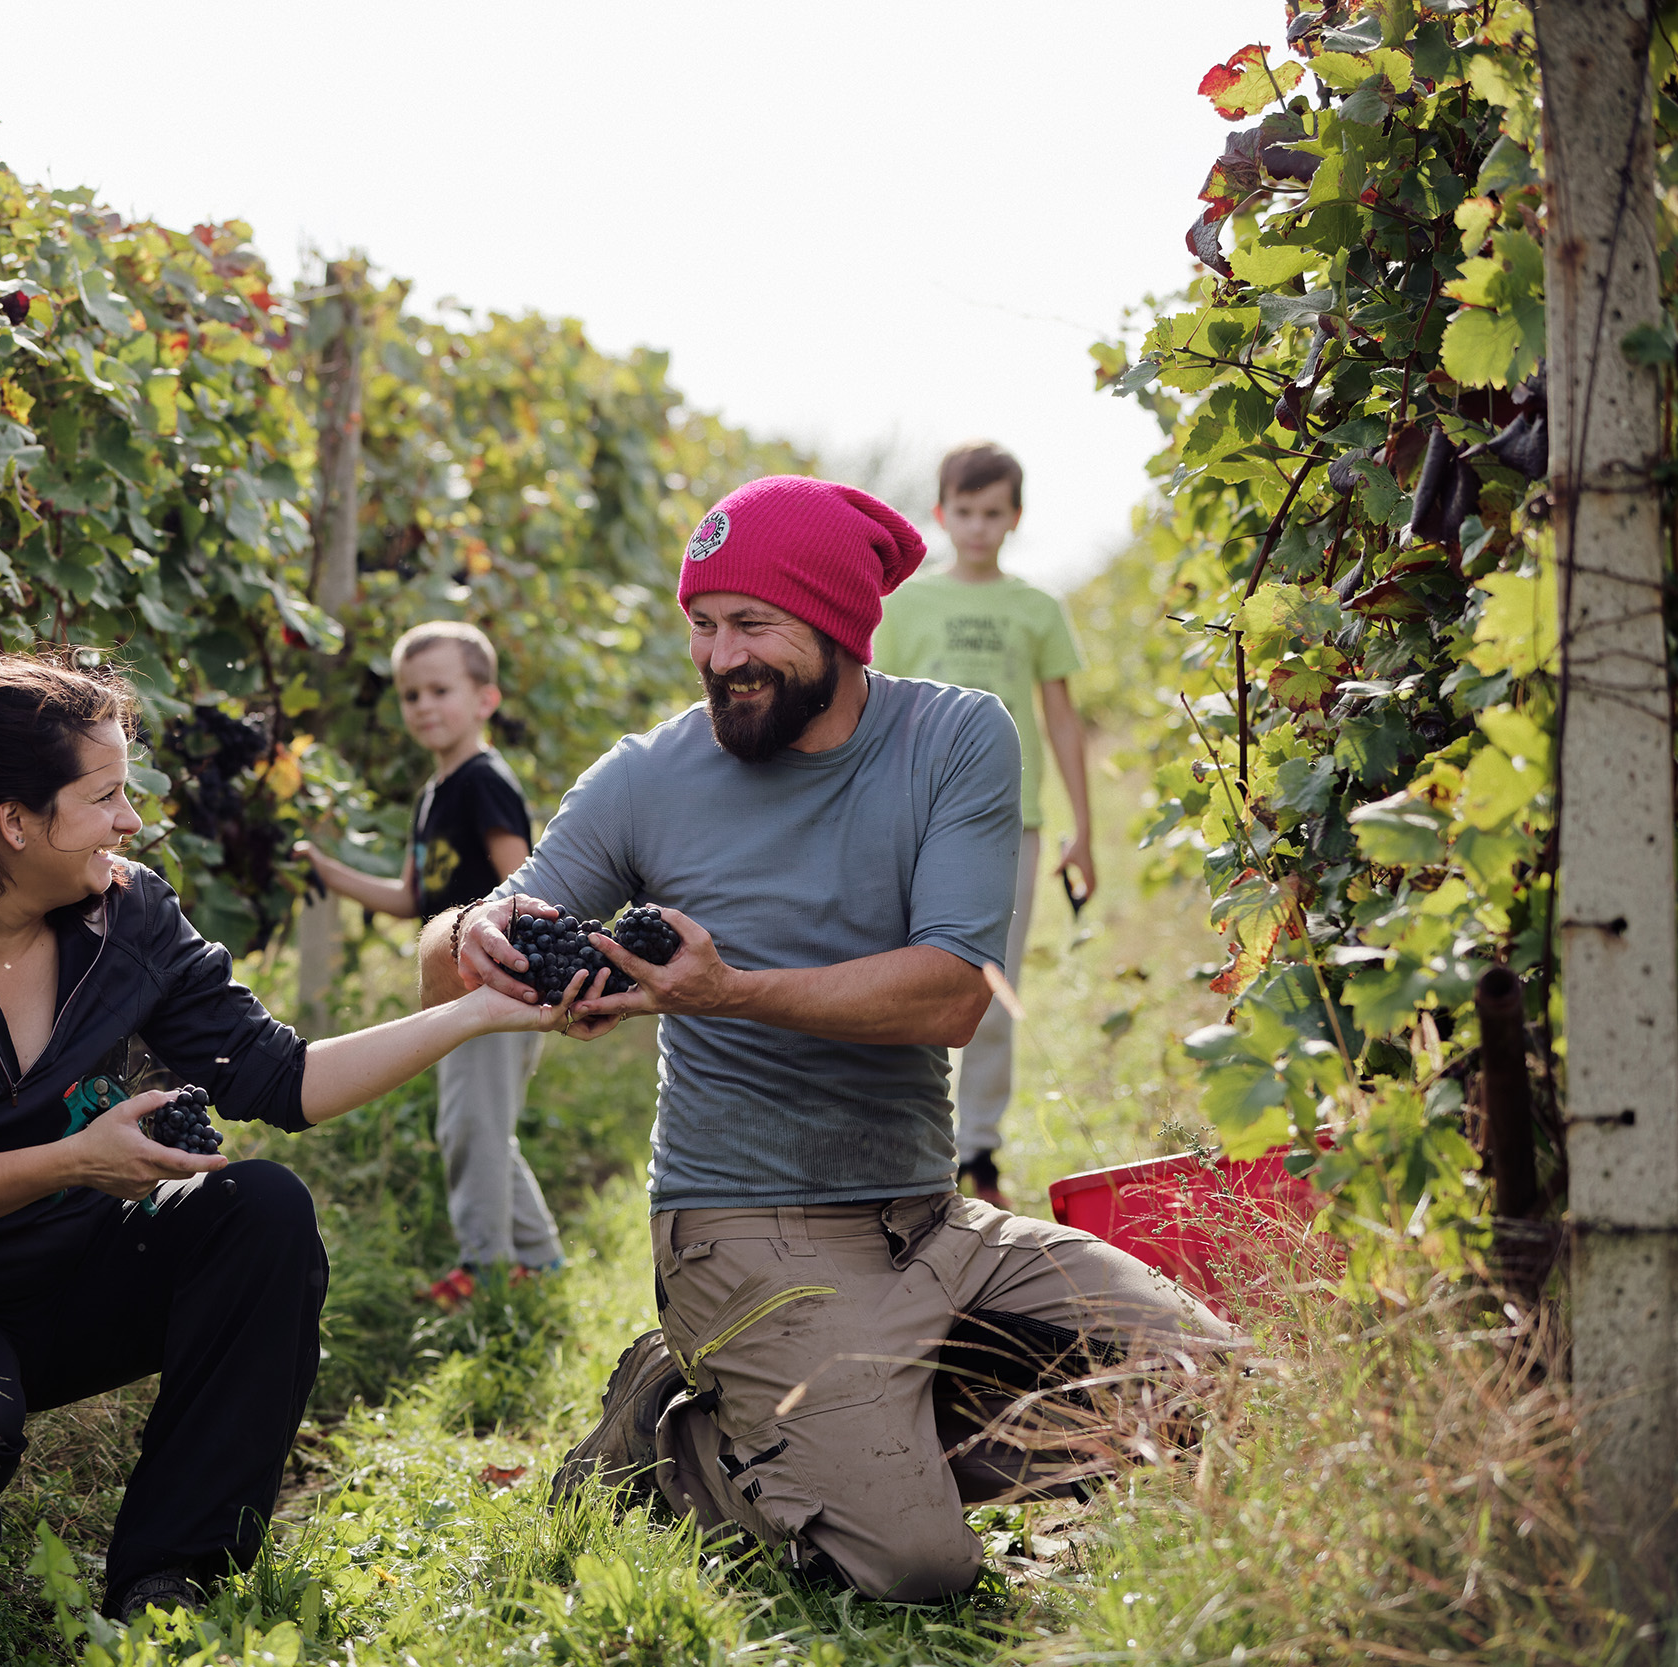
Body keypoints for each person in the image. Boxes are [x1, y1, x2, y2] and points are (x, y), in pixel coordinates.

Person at [420, 476, 1235, 1602]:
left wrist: (727, 990)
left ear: (843, 628)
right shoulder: (647, 775)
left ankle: (791, 1421)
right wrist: (478, 927)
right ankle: (671, 1458)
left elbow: (951, 993)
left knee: (1216, 1384)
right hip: (741, 1221)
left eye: (753, 625)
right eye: (701, 625)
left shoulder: (953, 736)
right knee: (914, 1562)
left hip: (926, 1215)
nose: (718, 657)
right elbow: (461, 938)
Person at [0, 652, 591, 1621]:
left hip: (59, 1271)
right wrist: (76, 1159)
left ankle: (169, 1578)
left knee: (264, 1212)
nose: (132, 820)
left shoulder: (131, 915)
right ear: (16, 820)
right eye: (106, 795)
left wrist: (475, 1013)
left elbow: (282, 1077)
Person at [296, 621, 562, 1307]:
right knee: (479, 1124)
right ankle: (536, 1260)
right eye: (411, 693)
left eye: (440, 689)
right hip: (457, 988)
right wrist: (329, 871)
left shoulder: (483, 781)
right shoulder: (433, 795)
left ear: (485, 698)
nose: (423, 705)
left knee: (470, 1125)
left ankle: (485, 1268)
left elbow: (524, 886)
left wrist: (529, 978)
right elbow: (411, 898)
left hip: (498, 984)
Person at [869, 440, 1094, 1210]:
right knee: (902, 978)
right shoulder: (905, 606)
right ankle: (905, 1144)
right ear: (940, 514)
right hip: (916, 819)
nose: (977, 526)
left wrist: (1082, 830)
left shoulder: (1036, 609)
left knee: (992, 986)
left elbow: (1062, 723)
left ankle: (981, 1151)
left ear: (1014, 518)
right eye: (963, 511)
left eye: (993, 512)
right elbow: (878, 712)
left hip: (1013, 825)